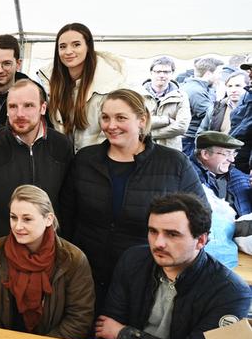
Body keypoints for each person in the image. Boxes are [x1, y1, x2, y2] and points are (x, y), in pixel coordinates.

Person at [61, 89, 206, 307]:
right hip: (86, 276)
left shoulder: (174, 164)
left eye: (121, 117)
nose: (111, 125)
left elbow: (201, 218)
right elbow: (66, 214)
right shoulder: (85, 160)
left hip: (145, 281)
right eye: (105, 117)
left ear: (142, 120)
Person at [96, 193, 251, 339]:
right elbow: (105, 330)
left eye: (172, 234)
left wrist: (122, 333)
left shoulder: (231, 293)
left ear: (201, 241)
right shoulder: (132, 260)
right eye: (153, 231)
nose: (158, 243)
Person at [0, 79, 73, 275]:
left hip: (49, 257)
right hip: (1, 258)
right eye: (13, 106)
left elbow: (68, 204)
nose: (19, 113)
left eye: (28, 105)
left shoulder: (61, 146)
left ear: (43, 108)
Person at [0, 185, 94, 339]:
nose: (17, 226)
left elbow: (80, 317)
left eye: (27, 219)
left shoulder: (74, 259)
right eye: (13, 217)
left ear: (48, 219)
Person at [36, 23, 132, 152]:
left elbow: (122, 128)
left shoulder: (111, 84)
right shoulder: (49, 82)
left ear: (88, 47)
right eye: (62, 47)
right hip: (64, 161)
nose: (68, 51)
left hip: (100, 161)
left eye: (76, 44)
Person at [191, 131, 251, 216]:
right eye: (227, 153)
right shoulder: (189, 178)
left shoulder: (238, 176)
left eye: (234, 153)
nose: (232, 159)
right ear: (205, 154)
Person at [142, 56, 190, 150]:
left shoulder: (181, 96)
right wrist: (166, 120)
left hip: (170, 149)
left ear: (172, 73)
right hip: (141, 147)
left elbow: (182, 126)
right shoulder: (137, 94)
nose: (162, 75)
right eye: (158, 71)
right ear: (151, 72)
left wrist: (150, 134)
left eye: (166, 72)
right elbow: (135, 122)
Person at [180, 57, 224, 156]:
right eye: (219, 73)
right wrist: (219, 98)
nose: (220, 77)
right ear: (208, 73)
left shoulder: (196, 87)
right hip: (190, 140)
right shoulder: (196, 91)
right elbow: (211, 116)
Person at [198, 68, 247, 134]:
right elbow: (201, 132)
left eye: (238, 86)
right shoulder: (216, 108)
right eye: (229, 86)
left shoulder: (249, 108)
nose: (233, 90)